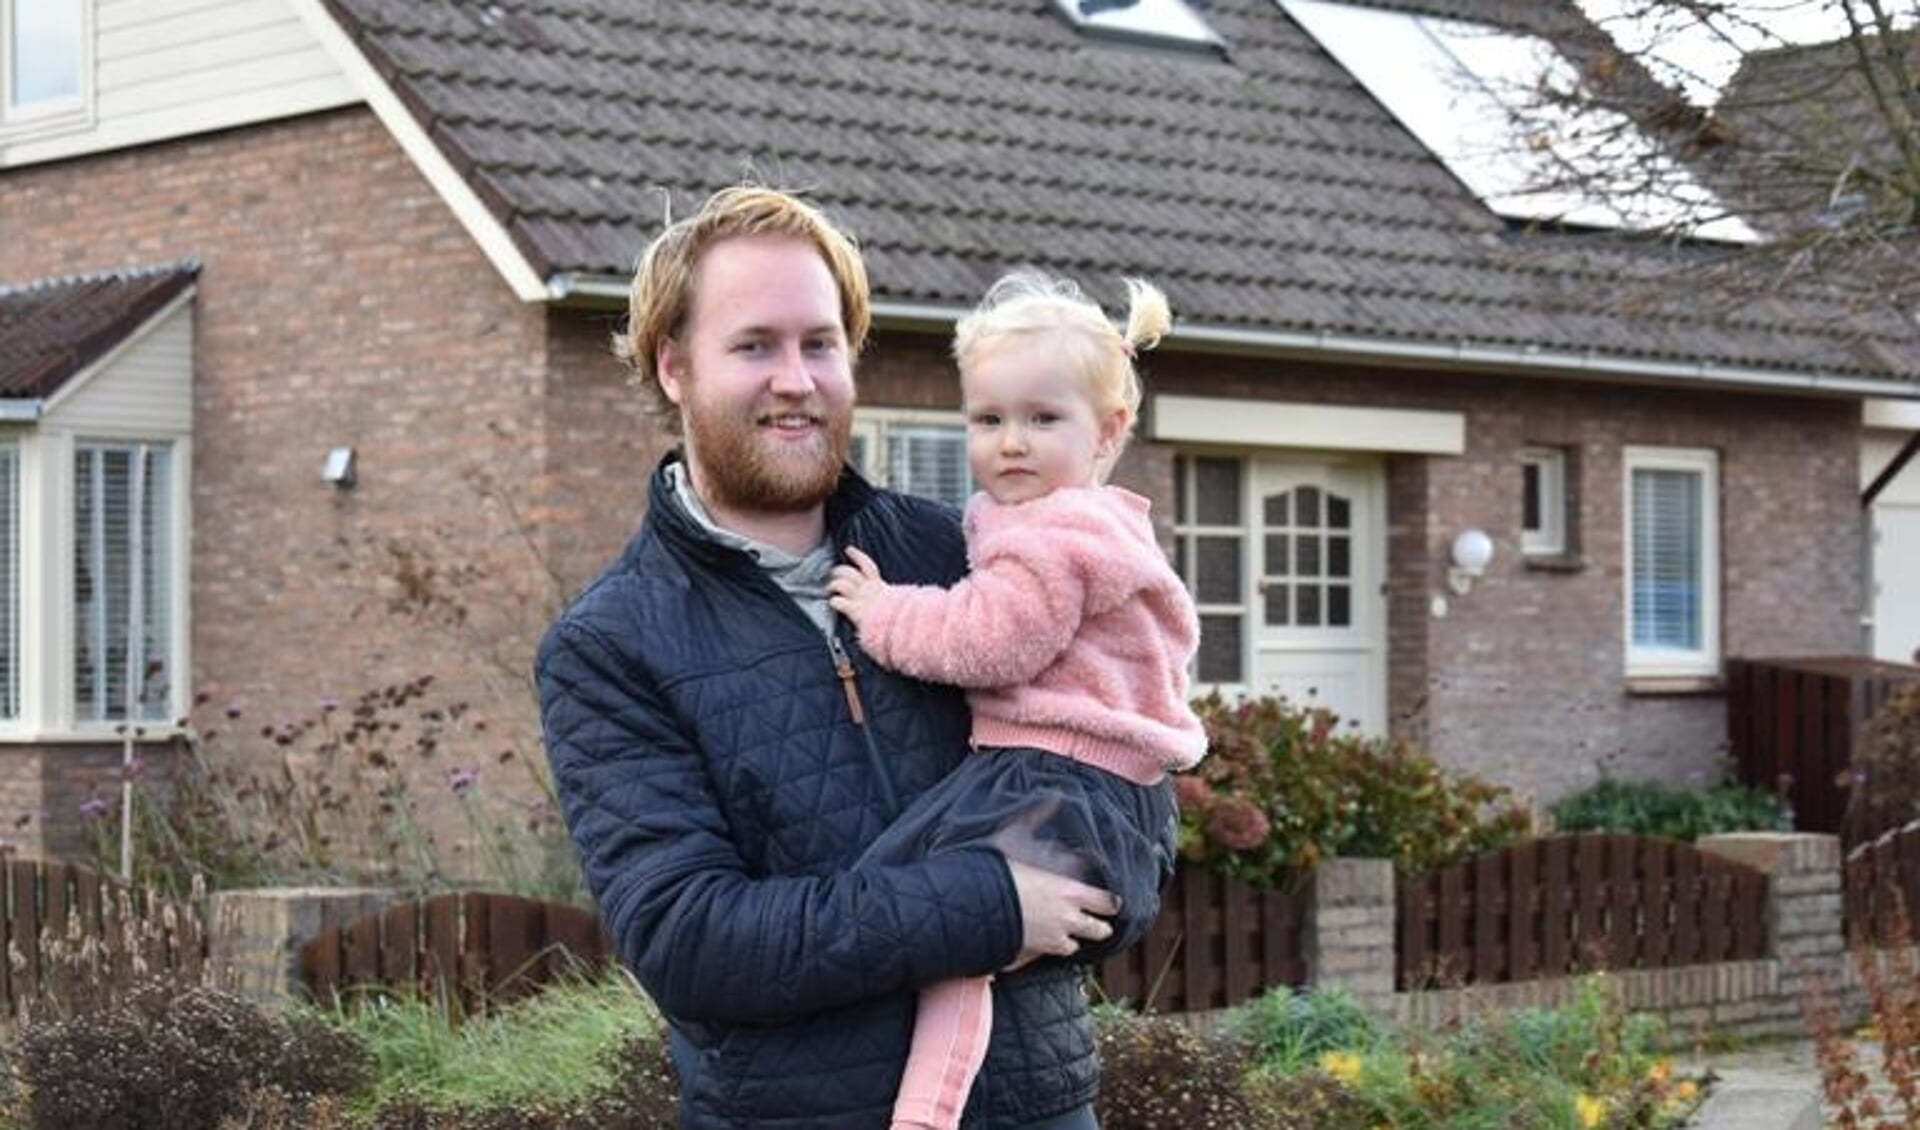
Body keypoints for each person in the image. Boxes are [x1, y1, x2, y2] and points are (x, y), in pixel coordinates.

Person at [534, 185, 1127, 1129]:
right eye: (753, 345)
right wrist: (989, 906)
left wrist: (1111, 883)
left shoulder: (972, 559)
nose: (796, 379)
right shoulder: (612, 646)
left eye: (820, 343)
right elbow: (691, 939)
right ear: (674, 366)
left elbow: (1125, 772)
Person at [826, 270, 1207, 1130]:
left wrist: (886, 613)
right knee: (945, 922)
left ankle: (926, 1111)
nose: (1011, 443)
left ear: (1109, 431)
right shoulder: (1081, 519)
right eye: (988, 420)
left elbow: (988, 640)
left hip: (1056, 777)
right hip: (1090, 780)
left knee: (928, 913)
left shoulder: (1058, 534)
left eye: (1043, 420)